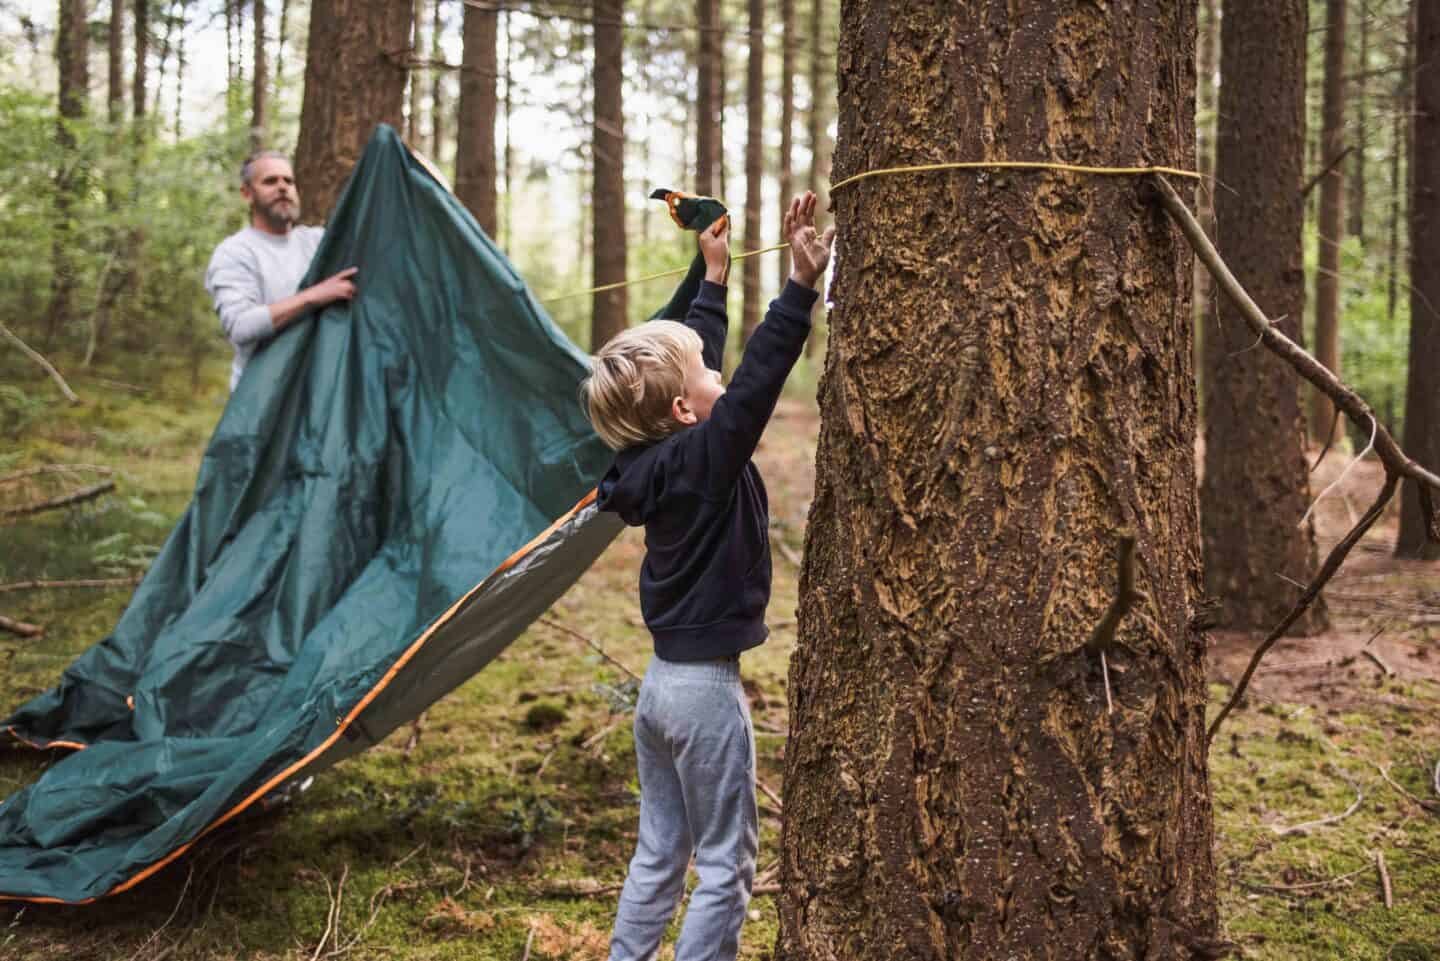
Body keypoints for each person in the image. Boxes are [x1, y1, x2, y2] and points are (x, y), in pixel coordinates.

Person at [581, 192, 835, 961]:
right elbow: (750, 388)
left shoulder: (649, 462)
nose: (715, 368)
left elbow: (702, 368)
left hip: (660, 689)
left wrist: (713, 277)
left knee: (660, 851)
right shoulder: (705, 459)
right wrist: (797, 292)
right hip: (703, 694)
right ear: (688, 411)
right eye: (704, 374)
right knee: (726, 863)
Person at [204, 151, 358, 392]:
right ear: (247, 193)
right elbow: (240, 326)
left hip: (319, 395)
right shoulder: (235, 252)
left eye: (288, 181)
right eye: (270, 181)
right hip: (262, 400)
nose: (282, 188)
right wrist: (314, 296)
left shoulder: (316, 242)